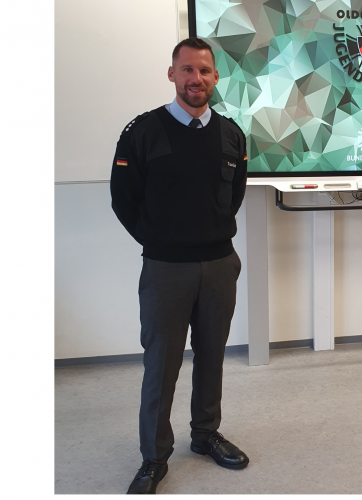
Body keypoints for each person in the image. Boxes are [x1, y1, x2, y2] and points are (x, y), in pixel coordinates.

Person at [111, 37, 249, 494]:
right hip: (166, 269)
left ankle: (206, 435)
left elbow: (233, 196)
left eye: (204, 70)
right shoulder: (143, 131)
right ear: (172, 74)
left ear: (215, 77)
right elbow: (123, 198)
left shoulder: (231, 134)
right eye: (187, 69)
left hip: (219, 265)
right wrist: (161, 242)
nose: (196, 78)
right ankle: (154, 457)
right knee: (161, 365)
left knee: (212, 357)